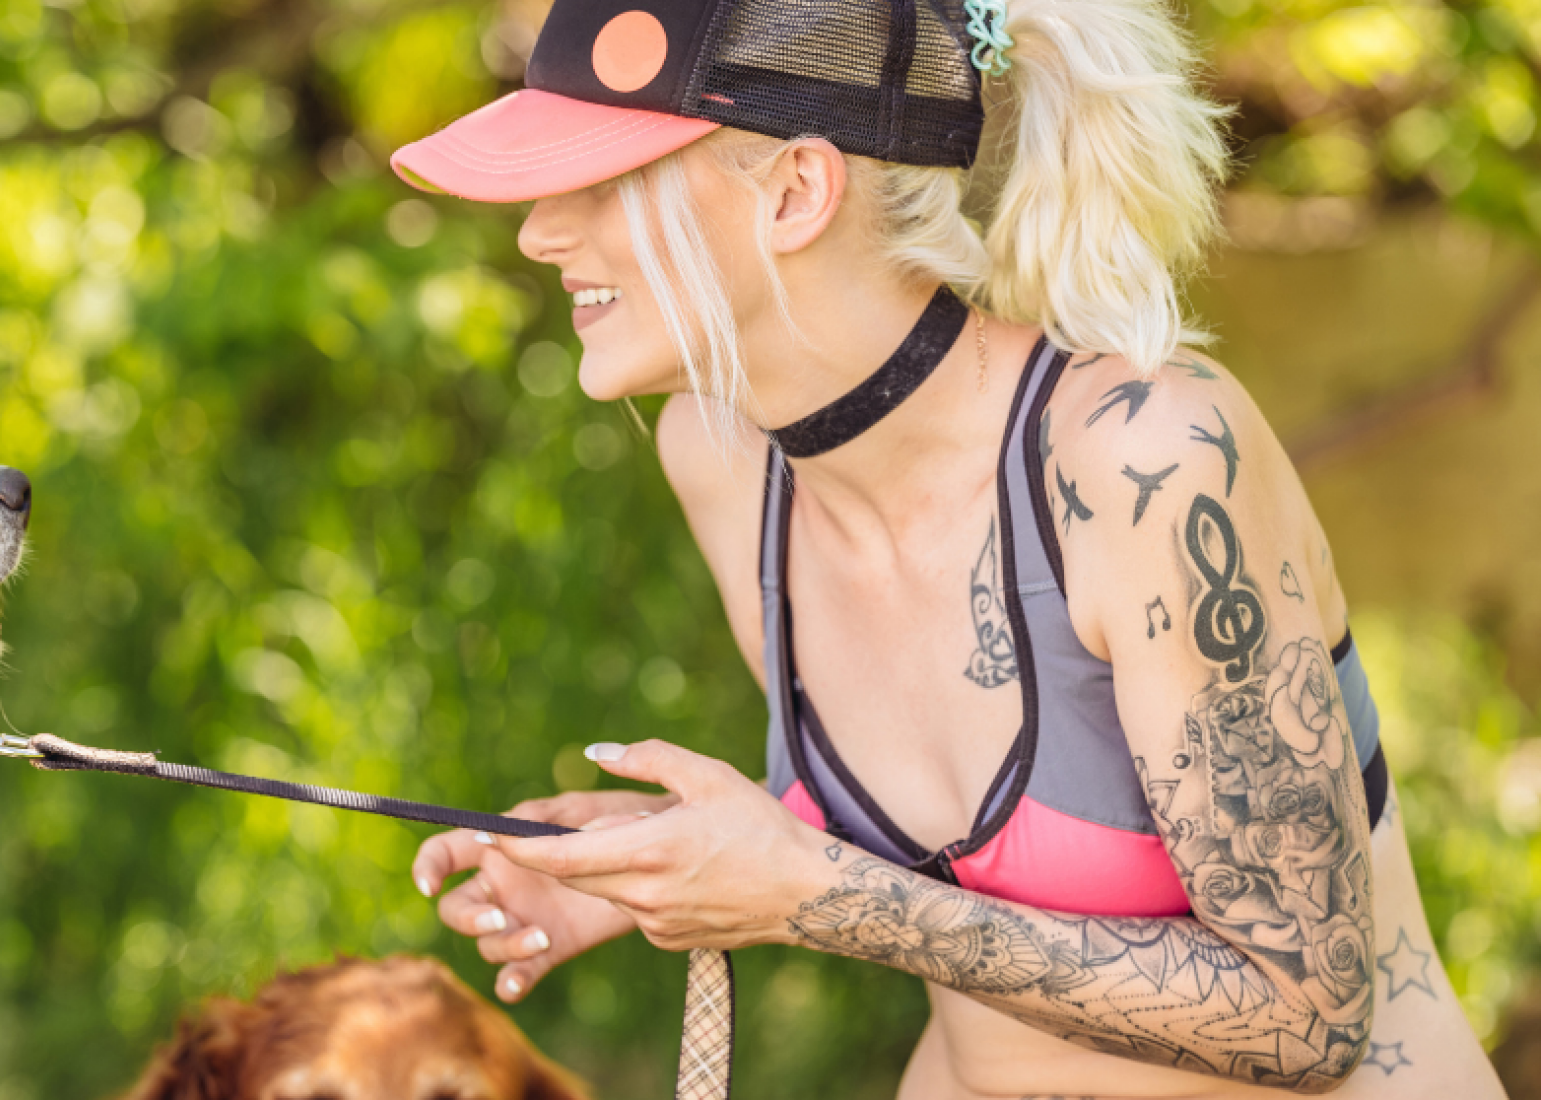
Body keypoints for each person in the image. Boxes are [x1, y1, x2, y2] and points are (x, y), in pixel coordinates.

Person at [394, 0, 1508, 1094]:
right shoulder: (720, 457)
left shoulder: (1143, 461)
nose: (539, 230)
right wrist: (658, 862)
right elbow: (907, 870)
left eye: (604, 182)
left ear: (795, 191)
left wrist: (802, 890)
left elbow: (1307, 1013)